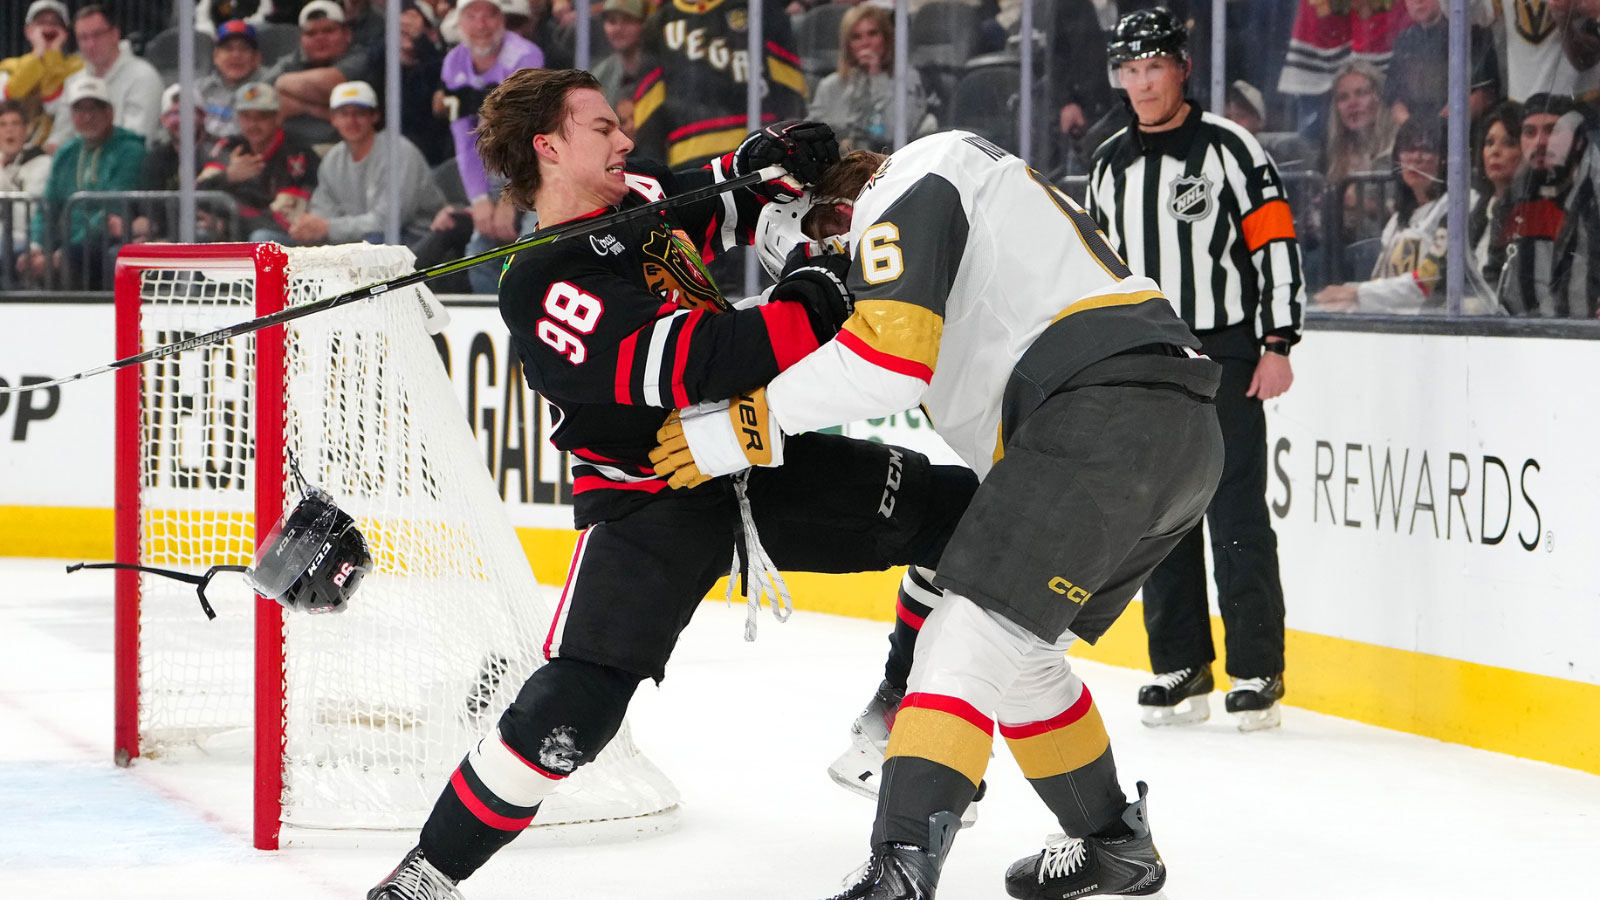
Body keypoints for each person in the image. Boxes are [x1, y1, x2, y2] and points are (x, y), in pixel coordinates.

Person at [365, 68, 980, 900]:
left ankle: (897, 708)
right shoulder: (545, 285)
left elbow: (713, 202)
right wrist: (823, 282)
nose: (625, 141)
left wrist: (765, 160)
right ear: (548, 147)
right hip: (653, 497)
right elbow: (710, 360)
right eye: (603, 129)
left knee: (961, 515)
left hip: (748, 461)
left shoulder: (633, 200)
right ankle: (425, 876)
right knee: (572, 712)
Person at [649, 129, 1224, 900]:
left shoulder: (919, 171)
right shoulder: (951, 224)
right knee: (1022, 661)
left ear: (839, 208)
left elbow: (887, 361)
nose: (834, 275)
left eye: (826, 250)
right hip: (1168, 431)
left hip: (1100, 412)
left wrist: (739, 428)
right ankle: (1112, 841)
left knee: (962, 641)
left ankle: (901, 866)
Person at [1084, 7, 1302, 732]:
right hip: (1146, 355)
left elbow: (1274, 245)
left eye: (1154, 67)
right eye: (1130, 69)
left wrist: (1278, 343)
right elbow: (1098, 272)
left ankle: (1256, 669)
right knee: (1156, 515)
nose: (1142, 83)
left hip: (1226, 351)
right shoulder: (1109, 162)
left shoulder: (1232, 150)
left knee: (1235, 509)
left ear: (1182, 68)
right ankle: (1179, 665)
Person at [1312, 116, 1499, 315]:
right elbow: (1382, 283)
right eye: (1408, 149)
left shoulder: (1461, 205)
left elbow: (1429, 280)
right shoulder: (1396, 222)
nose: (1416, 158)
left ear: (1446, 157)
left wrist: (1358, 293)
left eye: (1426, 149)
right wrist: (1350, 293)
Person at [439, 0, 546, 293]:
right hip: (493, 169)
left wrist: (508, 200)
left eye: (489, 14)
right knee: (478, 256)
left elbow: (528, 136)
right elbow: (464, 136)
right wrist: (479, 201)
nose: (481, 24)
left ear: (502, 19)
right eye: (472, 15)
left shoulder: (526, 55)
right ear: (459, 22)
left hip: (540, 168)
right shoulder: (453, 63)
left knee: (531, 252)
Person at [631, 0, 808, 169]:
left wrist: (789, 149)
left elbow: (790, 88)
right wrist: (654, 169)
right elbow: (649, 110)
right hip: (690, 160)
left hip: (758, 148)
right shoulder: (658, 25)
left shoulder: (759, 10)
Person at [22, 77, 146, 290]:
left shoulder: (130, 150)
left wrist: (60, 254)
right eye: (79, 110)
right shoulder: (66, 152)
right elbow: (47, 206)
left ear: (110, 112)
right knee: (19, 255)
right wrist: (37, 246)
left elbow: (112, 209)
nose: (87, 117)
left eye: (95, 109)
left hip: (104, 241)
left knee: (74, 257)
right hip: (63, 243)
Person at [289, 80, 446, 246]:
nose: (351, 121)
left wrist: (329, 227)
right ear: (333, 119)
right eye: (344, 114)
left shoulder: (399, 151)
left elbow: (389, 221)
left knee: (373, 244)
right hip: (361, 241)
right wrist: (308, 227)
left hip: (416, 238)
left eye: (359, 113)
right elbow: (323, 213)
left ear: (375, 116)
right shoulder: (332, 160)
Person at [1489, 92, 1600, 316]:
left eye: (1553, 130)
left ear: (1578, 142)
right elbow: (1492, 274)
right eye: (1530, 132)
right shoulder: (1510, 203)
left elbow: (1581, 298)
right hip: (1515, 341)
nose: (1540, 142)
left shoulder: (1594, 201)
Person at [197, 82, 321, 241]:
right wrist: (228, 177)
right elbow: (196, 194)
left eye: (262, 117)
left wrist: (228, 224)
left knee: (260, 239)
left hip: (284, 240)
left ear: (277, 117)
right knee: (200, 235)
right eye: (246, 116)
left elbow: (282, 221)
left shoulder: (299, 154)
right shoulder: (228, 147)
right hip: (234, 232)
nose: (253, 124)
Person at [807, 5, 928, 154]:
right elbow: (812, 137)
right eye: (856, 37)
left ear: (886, 38)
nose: (865, 42)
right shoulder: (829, 86)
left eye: (873, 34)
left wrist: (876, 75)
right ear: (848, 45)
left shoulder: (907, 79)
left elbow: (893, 134)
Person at [1322, 60, 1398, 284]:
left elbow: (1405, 212)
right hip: (1341, 248)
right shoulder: (1334, 153)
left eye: (1361, 93)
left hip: (1383, 246)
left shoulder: (1399, 148)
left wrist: (1361, 202)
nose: (1352, 104)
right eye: (1343, 98)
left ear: (1379, 98)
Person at [267, 0, 381, 145]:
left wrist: (299, 104)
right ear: (301, 39)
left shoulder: (360, 58)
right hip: (292, 151)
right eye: (311, 33)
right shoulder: (290, 62)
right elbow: (260, 96)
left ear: (347, 34)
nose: (320, 38)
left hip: (344, 147)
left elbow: (332, 85)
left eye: (328, 30)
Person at [52, 6, 164, 147]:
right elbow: (58, 140)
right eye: (83, 38)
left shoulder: (144, 77)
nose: (90, 44)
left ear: (115, 34)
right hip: (79, 163)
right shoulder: (73, 82)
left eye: (97, 35)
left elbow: (137, 142)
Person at [1384, 0, 1500, 126]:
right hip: (1415, 137)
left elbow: (1484, 94)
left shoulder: (1470, 32)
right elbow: (1395, 100)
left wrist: (1441, 125)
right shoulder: (1405, 41)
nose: (1418, 1)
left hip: (1462, 134)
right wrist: (1412, 127)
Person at [0, 0, 82, 150]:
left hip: (58, 150)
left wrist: (52, 55)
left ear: (65, 32)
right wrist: (38, 55)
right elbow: (9, 98)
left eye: (55, 22)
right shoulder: (9, 66)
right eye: (41, 22)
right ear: (28, 31)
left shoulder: (77, 66)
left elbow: (53, 107)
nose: (48, 27)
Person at [1473, 101, 1524, 279]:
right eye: (1489, 142)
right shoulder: (1474, 208)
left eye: (1509, 143)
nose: (1495, 151)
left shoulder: (1530, 213)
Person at [198, 19, 268, 142]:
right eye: (228, 48)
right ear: (216, 56)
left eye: (244, 49)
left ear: (256, 58)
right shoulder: (199, 89)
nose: (236, 55)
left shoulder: (267, 90)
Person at [1, 99, 52, 265]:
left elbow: (29, 213)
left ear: (25, 130)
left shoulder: (41, 163)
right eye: (2, 124)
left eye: (15, 124)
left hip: (25, 238)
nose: (9, 130)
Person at [590, 0, 652, 109]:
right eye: (612, 21)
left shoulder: (658, 70)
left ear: (644, 24)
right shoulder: (600, 76)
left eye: (627, 20)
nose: (618, 28)